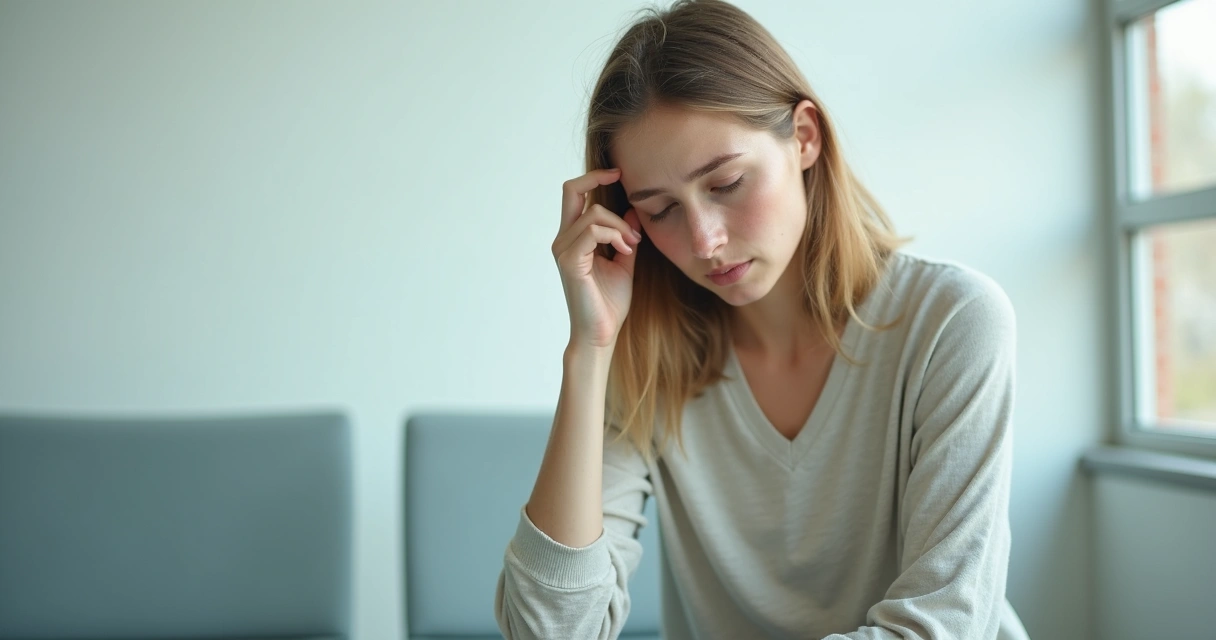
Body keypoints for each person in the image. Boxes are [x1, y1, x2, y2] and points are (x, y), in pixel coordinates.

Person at [495, 1, 1031, 638]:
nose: (704, 240)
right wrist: (589, 350)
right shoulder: (645, 361)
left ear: (804, 137)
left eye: (725, 184)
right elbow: (549, 631)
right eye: (660, 209)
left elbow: (942, 625)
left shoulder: (953, 323)